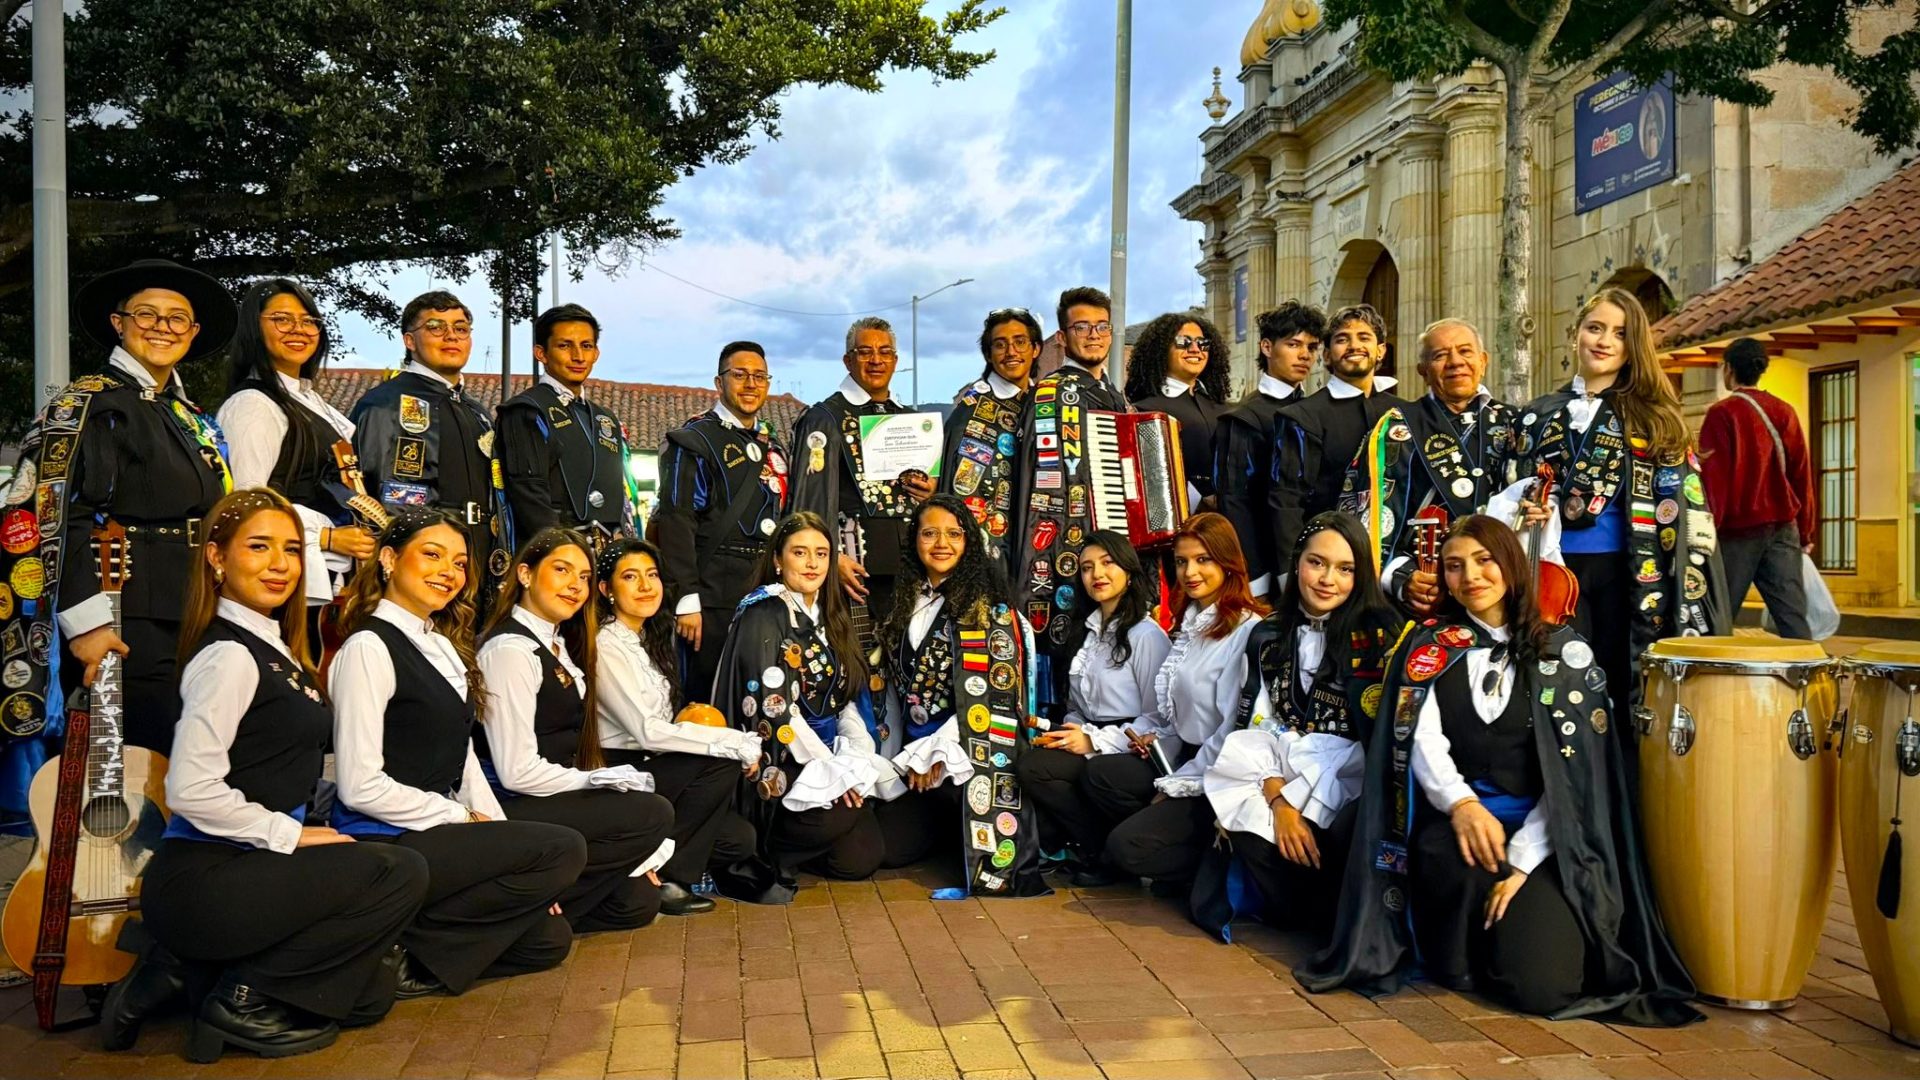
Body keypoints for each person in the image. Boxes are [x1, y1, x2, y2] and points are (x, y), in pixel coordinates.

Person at [1297, 516, 1700, 1026]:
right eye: (1454, 566)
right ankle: (1467, 955)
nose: (1470, 576)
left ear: (1510, 563)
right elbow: (1419, 739)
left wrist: (1523, 862)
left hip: (1547, 835)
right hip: (1459, 823)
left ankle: (1506, 941)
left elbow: (1575, 779)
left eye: (1484, 560)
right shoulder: (1427, 647)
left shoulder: (1566, 654)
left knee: (1544, 988)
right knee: (1454, 879)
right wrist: (1462, 805)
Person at [132, 489, 427, 1062]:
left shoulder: (275, 646)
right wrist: (290, 833)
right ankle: (238, 1000)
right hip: (205, 877)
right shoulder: (228, 656)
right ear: (216, 557)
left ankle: (184, 973)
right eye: (259, 547)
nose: (280, 565)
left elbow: (273, 759)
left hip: (254, 866)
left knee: (366, 997)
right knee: (397, 873)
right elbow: (189, 790)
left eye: (291, 550)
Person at [328, 508, 589, 998]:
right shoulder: (368, 647)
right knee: (563, 848)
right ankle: (392, 942)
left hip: (441, 827)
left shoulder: (443, 645)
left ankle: (413, 939)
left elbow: (464, 760)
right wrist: (462, 817)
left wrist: (501, 837)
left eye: (460, 563)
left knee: (547, 941)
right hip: (387, 834)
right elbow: (359, 786)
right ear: (389, 559)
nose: (448, 572)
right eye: (432, 555)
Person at [14, 258, 237, 761]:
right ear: (119, 323)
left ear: (193, 332)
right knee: (136, 759)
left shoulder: (186, 415)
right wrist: (88, 625)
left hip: (192, 608)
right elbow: (57, 518)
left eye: (177, 318)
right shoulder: (89, 405)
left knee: (185, 761)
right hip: (125, 616)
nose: (163, 327)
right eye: (147, 314)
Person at [1503, 289, 1724, 720]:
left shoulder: (1655, 417)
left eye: (1620, 334)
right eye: (1595, 328)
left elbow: (1685, 510)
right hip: (1553, 573)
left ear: (1633, 345)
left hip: (1628, 574)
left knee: (1624, 685)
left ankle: (1624, 764)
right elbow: (1510, 493)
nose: (1604, 341)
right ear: (1576, 334)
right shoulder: (1535, 415)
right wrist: (1526, 510)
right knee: (1556, 686)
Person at [1195, 512, 1404, 938]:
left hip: (1352, 780)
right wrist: (1280, 801)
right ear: (1297, 563)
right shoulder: (1269, 634)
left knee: (1350, 828)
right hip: (1284, 772)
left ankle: (1338, 922)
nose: (1328, 579)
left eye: (1345, 569)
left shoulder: (1383, 637)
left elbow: (1383, 743)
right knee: (1249, 826)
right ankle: (1304, 915)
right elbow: (1256, 725)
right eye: (1317, 563)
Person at [474, 528, 677, 931]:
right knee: (652, 812)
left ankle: (550, 901)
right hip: (515, 802)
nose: (575, 585)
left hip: (554, 794)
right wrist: (596, 780)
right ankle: (530, 898)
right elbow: (515, 773)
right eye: (562, 570)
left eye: (583, 577)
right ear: (525, 574)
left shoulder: (557, 642)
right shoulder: (509, 651)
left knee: (637, 903)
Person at [710, 512, 905, 882]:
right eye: (799, 553)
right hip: (784, 756)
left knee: (861, 859)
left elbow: (843, 698)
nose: (812, 563)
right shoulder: (765, 612)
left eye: (822, 553)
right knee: (845, 819)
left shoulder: (828, 612)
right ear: (778, 560)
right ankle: (771, 846)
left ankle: (818, 839)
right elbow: (776, 711)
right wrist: (831, 770)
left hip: (829, 753)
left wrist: (853, 754)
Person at [874, 495, 1047, 895]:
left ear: (969, 540)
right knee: (887, 850)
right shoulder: (903, 602)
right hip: (913, 757)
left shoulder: (990, 609)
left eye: (953, 534)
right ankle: (944, 829)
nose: (942, 544)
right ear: (914, 541)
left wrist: (935, 751)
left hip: (969, 749)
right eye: (929, 533)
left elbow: (993, 697)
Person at [595, 537, 778, 910]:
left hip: (659, 764)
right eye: (630, 576)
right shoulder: (606, 644)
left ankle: (649, 855)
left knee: (738, 840)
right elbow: (646, 730)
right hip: (624, 771)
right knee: (721, 762)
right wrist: (733, 742)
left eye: (652, 575)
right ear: (605, 589)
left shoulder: (646, 638)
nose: (646, 586)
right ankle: (671, 877)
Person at [1088, 513, 1266, 887]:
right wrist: (1155, 738)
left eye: (1203, 560)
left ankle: (1203, 863)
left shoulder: (1246, 631)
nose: (1190, 572)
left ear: (1228, 562)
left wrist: (1177, 784)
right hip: (1182, 755)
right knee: (1102, 775)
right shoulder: (1192, 622)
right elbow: (1178, 713)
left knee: (1126, 848)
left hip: (1218, 771)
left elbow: (1230, 732)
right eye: (1182, 562)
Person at [216, 279, 375, 652]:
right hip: (278, 579)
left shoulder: (310, 401)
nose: (298, 330)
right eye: (282, 320)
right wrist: (325, 537)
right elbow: (244, 502)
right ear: (254, 328)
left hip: (324, 575)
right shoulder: (253, 405)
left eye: (308, 321)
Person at [1015, 531, 1170, 886]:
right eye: (1086, 568)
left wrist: (1094, 741)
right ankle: (1097, 848)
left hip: (1133, 747)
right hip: (1090, 737)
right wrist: (1070, 733)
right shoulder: (1086, 633)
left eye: (1107, 563)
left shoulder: (1147, 636)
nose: (1096, 574)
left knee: (1099, 772)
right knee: (1033, 767)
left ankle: (1120, 853)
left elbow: (1158, 718)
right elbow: (1076, 706)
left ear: (1128, 571)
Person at [1341, 318, 1520, 614]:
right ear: (1423, 370)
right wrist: (1400, 577)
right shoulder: (1395, 428)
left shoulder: (1515, 423)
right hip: (1424, 588)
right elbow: (1367, 516)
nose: (1455, 362)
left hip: (1501, 586)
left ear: (1483, 361)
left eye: (1465, 351)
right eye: (1440, 355)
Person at [651, 341, 791, 703]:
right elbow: (677, 521)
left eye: (759, 376)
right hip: (710, 597)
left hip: (763, 590)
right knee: (707, 700)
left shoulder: (774, 446)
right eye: (740, 375)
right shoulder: (693, 440)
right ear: (719, 382)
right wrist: (687, 599)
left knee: (762, 694)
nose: (751, 384)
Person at [350, 290, 508, 602]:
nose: (451, 336)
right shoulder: (386, 403)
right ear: (410, 340)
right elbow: (377, 497)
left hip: (480, 561)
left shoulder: (477, 411)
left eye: (461, 328)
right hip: (421, 567)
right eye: (436, 327)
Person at [789, 317, 935, 643]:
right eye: (865, 352)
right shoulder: (824, 417)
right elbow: (808, 502)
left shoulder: (910, 419)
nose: (876, 360)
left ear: (895, 360)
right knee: (857, 663)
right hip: (853, 573)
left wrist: (932, 493)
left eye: (885, 352)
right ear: (848, 360)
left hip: (911, 571)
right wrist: (830, 559)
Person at [1012, 287, 1130, 683]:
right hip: (1068, 553)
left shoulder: (1112, 394)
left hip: (1111, 549)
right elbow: (1044, 489)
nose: (1094, 335)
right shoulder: (1052, 392)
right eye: (1082, 327)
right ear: (1062, 337)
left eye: (1102, 326)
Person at [1698, 336, 1815, 639]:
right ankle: (1806, 668)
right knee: (1792, 618)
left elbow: (1715, 482)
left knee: (1719, 614)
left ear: (1728, 369)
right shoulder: (1784, 411)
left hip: (1737, 531)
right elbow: (1801, 474)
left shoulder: (1722, 414)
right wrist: (1805, 531)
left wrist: (1705, 533)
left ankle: (1712, 669)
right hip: (1783, 527)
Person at [1271, 304, 1401, 572]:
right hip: (1325, 567)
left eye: (1364, 337)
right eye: (1342, 339)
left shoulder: (1404, 413)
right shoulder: (1301, 417)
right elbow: (1286, 503)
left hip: (1394, 565)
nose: (1354, 346)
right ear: (1328, 356)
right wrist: (1293, 574)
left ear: (1381, 351)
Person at [497, 304, 639, 545]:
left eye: (586, 346)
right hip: (555, 550)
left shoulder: (605, 418)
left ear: (596, 353)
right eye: (565, 346)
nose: (578, 356)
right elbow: (529, 497)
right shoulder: (526, 410)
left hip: (607, 553)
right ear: (541, 353)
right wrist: (565, 551)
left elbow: (620, 499)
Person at [1215, 302, 1326, 595]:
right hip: (1266, 573)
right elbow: (1235, 504)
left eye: (1312, 347)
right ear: (1266, 347)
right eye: (1293, 344)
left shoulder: (1317, 410)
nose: (1305, 355)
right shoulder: (1243, 417)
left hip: (1319, 564)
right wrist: (1257, 586)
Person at [939, 309, 1039, 567]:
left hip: (1035, 546)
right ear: (988, 355)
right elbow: (959, 491)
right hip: (990, 549)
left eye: (1020, 342)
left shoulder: (1044, 402)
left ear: (1036, 349)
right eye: (1000, 345)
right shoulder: (972, 409)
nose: (1011, 352)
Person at [1125, 312, 1232, 507]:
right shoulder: (1144, 410)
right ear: (1161, 349)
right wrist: (1199, 497)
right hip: (1176, 512)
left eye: (1202, 343)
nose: (1195, 349)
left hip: (1230, 514)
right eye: (1184, 342)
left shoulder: (1224, 407)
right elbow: (1147, 476)